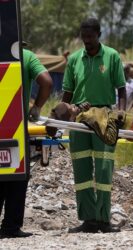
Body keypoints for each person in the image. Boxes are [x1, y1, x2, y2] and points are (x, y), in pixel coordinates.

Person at [61, 17, 126, 233]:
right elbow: (68, 92)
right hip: (79, 116)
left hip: (105, 115)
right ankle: (88, 219)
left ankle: (103, 219)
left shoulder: (112, 56)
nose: (87, 40)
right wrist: (63, 112)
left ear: (99, 35)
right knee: (81, 168)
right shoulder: (73, 59)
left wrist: (120, 112)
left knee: (104, 168)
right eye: (84, 36)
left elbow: (121, 89)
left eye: (90, 36)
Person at [0, 48, 53, 238]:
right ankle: (10, 227)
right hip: (15, 125)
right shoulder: (26, 56)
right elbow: (46, 82)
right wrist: (36, 107)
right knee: (16, 173)